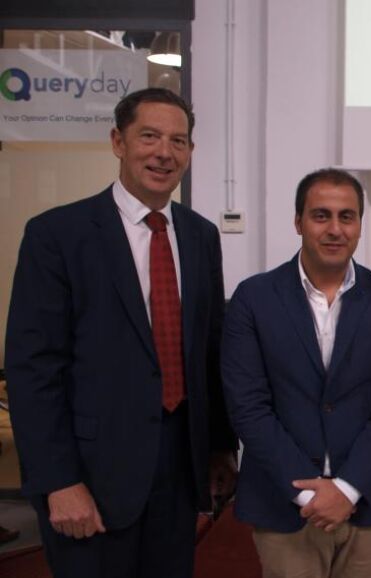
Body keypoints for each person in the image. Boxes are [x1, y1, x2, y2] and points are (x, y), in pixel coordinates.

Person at [5, 87, 238, 578]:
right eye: (149, 136)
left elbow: (209, 349)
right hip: (91, 478)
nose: (164, 152)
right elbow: (33, 370)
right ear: (118, 141)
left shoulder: (200, 236)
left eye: (178, 141)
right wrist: (58, 481)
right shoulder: (57, 235)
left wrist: (220, 447)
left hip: (179, 473)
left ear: (191, 152)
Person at [221, 168, 371, 578]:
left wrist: (347, 488)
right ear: (298, 222)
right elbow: (248, 407)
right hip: (286, 502)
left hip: (370, 500)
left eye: (347, 216)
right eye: (320, 215)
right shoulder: (253, 298)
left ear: (359, 225)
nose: (335, 229)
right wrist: (310, 494)